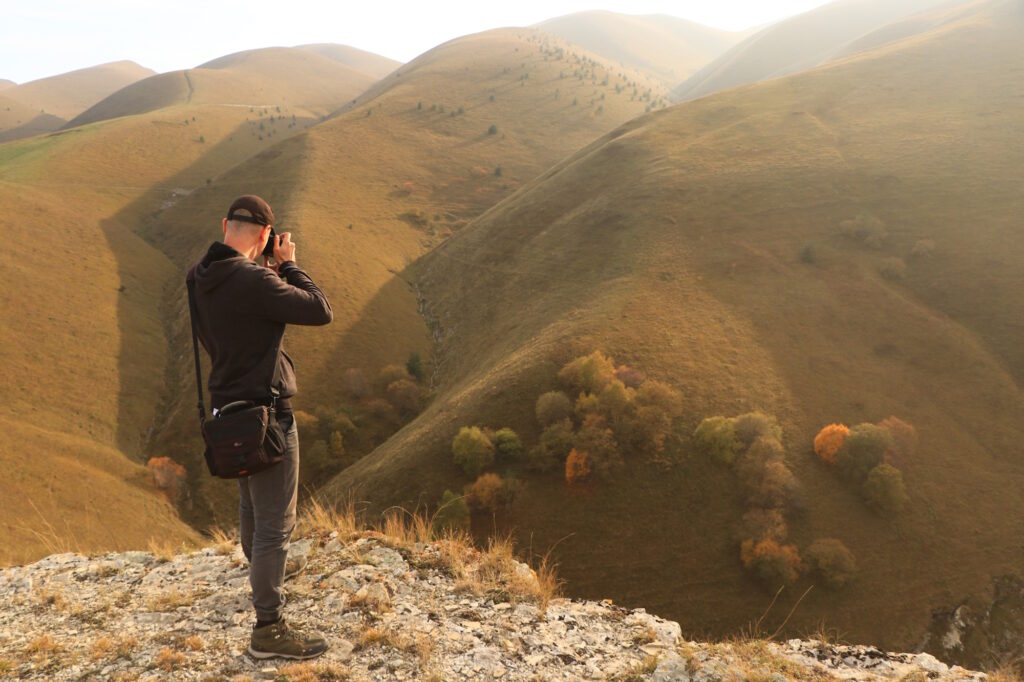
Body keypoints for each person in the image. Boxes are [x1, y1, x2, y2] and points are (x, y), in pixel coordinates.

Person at [187, 195, 332, 660]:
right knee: (275, 526)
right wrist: (288, 266)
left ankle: (261, 584)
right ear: (267, 235)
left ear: (224, 224)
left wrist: (265, 271)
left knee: (252, 510)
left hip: (228, 410)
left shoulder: (199, 276)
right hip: (267, 416)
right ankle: (268, 629)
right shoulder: (255, 280)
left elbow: (229, 325)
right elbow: (319, 308)